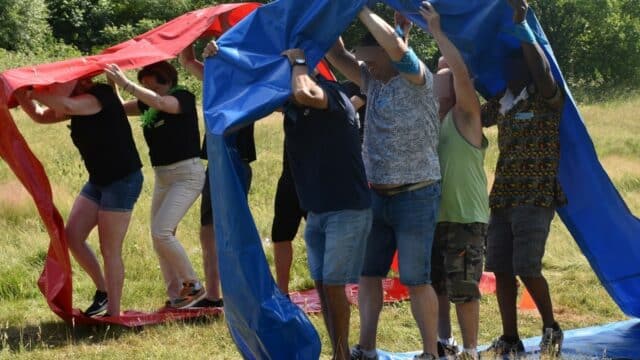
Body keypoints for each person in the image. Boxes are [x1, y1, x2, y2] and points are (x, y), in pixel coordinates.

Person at [327, 4, 441, 359]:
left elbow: (396, 47)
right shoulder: (371, 79)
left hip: (417, 194)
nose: (364, 66)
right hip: (376, 195)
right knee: (368, 273)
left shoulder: (417, 77)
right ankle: (367, 347)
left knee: (415, 279)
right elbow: (336, 53)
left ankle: (430, 353)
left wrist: (358, 7)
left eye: (370, 59)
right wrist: (325, 12)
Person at [14, 77, 143, 317]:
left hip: (122, 180)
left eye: (56, 85)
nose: (51, 88)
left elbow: (68, 106)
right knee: (73, 236)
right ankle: (103, 292)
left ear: (81, 82)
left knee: (109, 249)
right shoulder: (72, 101)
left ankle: (114, 314)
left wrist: (32, 90)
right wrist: (22, 95)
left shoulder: (100, 95)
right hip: (98, 180)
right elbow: (41, 116)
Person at [482, 0, 566, 356]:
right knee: (500, 268)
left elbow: (543, 71)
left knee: (526, 266)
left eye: (516, 63)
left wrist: (521, 26)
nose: (508, 69)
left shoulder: (547, 97)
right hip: (503, 196)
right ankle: (511, 338)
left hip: (535, 195)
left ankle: (551, 328)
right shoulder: (503, 101)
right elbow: (476, 116)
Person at [281, 47, 372, 360]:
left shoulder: (333, 95)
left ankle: (342, 354)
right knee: (321, 285)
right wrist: (213, 61)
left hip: (346, 208)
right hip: (318, 210)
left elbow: (306, 93)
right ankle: (339, 353)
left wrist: (298, 61)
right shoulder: (292, 104)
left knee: (333, 285)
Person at [104, 61, 206, 309]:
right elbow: (119, 109)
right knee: (158, 236)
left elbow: (162, 103)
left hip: (187, 174)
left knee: (162, 232)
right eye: (143, 86)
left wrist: (126, 83)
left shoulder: (182, 96)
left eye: (150, 86)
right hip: (163, 176)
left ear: (166, 81)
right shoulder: (147, 102)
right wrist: (112, 84)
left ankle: (193, 285)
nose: (146, 92)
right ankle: (177, 297)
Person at [420, 5, 489, 360]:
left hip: (465, 218)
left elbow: (461, 73)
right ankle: (443, 343)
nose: (440, 80)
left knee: (463, 289)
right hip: (436, 217)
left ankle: (471, 350)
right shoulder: (434, 121)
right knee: (437, 286)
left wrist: (437, 31)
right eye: (437, 76)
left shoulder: (466, 117)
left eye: (443, 76)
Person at [179, 42, 257, 307]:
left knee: (231, 233)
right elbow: (187, 60)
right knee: (208, 231)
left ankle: (241, 294)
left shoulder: (249, 86)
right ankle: (214, 295)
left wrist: (220, 50)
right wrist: (194, 31)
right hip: (217, 164)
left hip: (234, 163)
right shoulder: (219, 82)